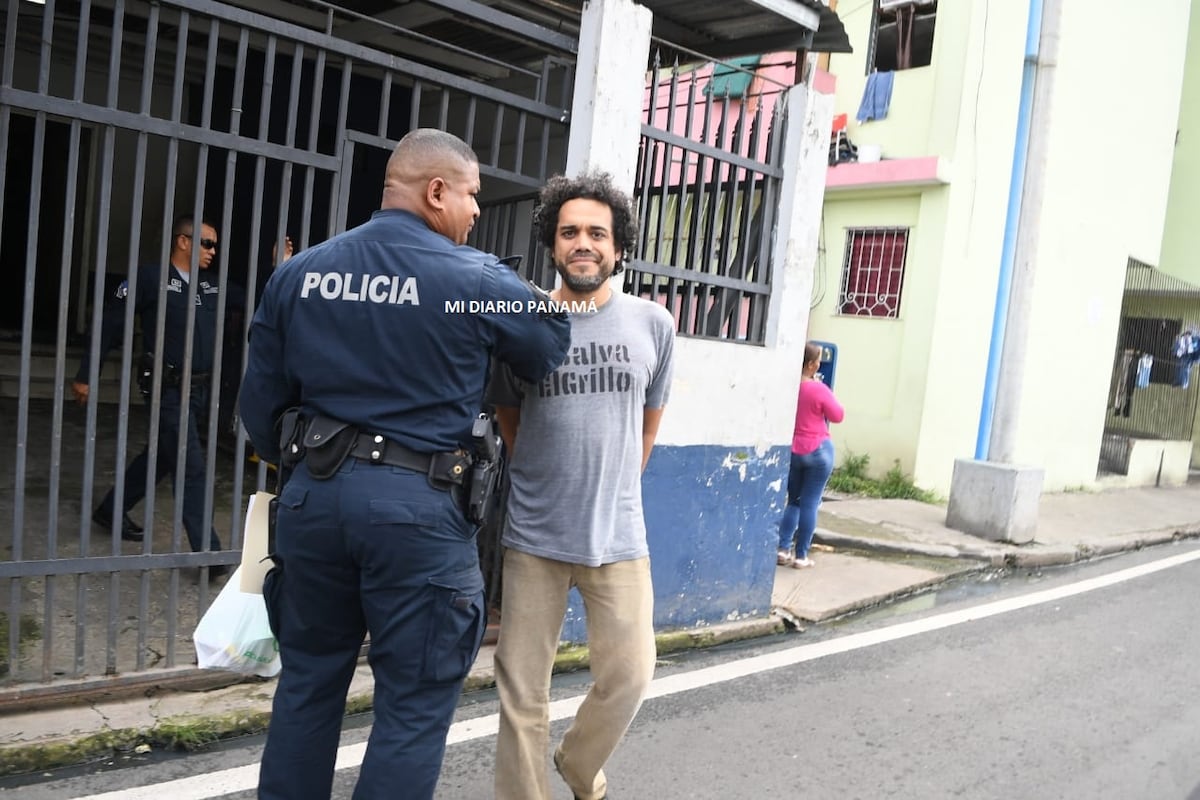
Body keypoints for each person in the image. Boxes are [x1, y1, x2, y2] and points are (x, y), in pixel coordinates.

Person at [238, 128, 570, 800]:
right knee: (412, 708)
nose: (476, 212)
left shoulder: (301, 272)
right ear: (437, 190)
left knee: (306, 688)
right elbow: (546, 343)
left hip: (313, 504)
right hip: (418, 513)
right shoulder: (472, 280)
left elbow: (260, 408)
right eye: (472, 195)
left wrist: (310, 473)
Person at [489, 171, 676, 800]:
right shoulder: (526, 324)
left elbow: (646, 424)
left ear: (618, 247)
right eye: (570, 232)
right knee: (521, 691)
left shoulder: (653, 324)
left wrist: (616, 483)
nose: (583, 243)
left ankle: (577, 762)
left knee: (630, 674)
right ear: (552, 245)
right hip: (535, 535)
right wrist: (546, 478)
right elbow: (509, 416)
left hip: (620, 534)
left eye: (598, 232)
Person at [73, 216, 226, 565]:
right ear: (183, 242)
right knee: (190, 466)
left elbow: (256, 296)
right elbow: (110, 324)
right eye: (206, 243)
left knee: (161, 457)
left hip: (198, 389)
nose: (213, 251)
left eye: (215, 244)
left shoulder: (208, 285)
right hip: (166, 388)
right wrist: (86, 374)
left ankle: (111, 511)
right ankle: (209, 553)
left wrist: (282, 268)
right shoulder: (150, 278)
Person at [776, 342, 845, 568]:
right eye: (817, 362)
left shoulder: (787, 387)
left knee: (793, 501)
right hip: (818, 450)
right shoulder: (818, 389)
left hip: (794, 450)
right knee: (810, 503)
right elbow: (837, 415)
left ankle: (783, 549)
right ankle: (801, 555)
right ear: (812, 365)